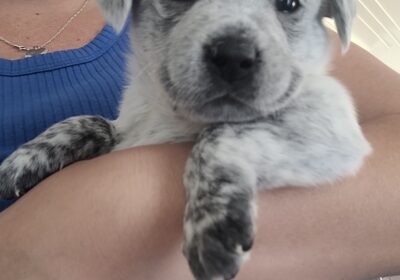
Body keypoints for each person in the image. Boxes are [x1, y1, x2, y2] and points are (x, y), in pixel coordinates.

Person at [1, 1, 400, 280]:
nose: (237, 50)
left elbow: (342, 143)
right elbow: (137, 131)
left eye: (288, 3)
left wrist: (74, 223)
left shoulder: (301, 60)